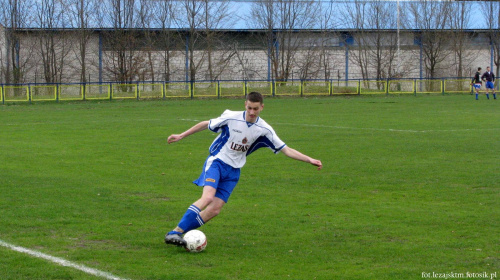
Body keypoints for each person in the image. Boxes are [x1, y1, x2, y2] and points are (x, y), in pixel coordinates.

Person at [164, 91, 323, 247]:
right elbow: (207, 124)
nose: (252, 112)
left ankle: (181, 234)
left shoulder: (264, 129)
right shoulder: (232, 117)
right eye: (249, 108)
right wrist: (182, 135)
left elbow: (286, 150)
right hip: (217, 162)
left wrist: (309, 159)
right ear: (245, 105)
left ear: (262, 107)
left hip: (234, 171)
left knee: (215, 210)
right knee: (207, 198)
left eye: (256, 109)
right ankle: (174, 232)